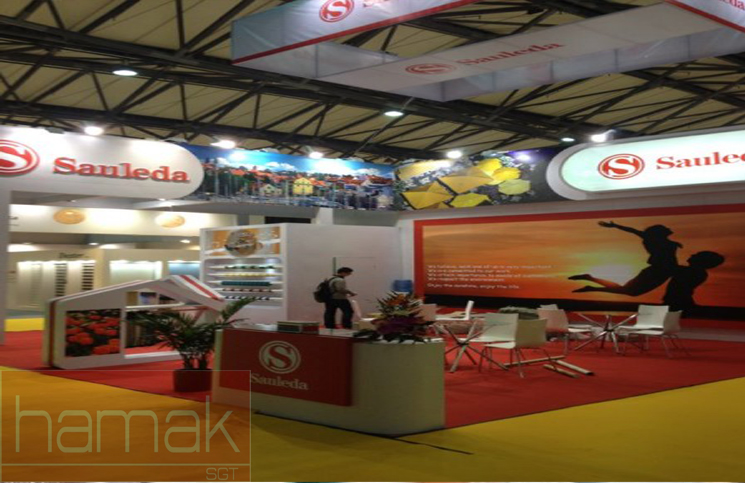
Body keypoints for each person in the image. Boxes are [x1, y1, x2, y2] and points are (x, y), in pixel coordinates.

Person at [569, 221, 682, 296]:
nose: (668, 228)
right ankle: (590, 283)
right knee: (630, 291)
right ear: (659, 233)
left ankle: (590, 283)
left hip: (664, 271)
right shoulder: (651, 239)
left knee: (630, 291)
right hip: (657, 271)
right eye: (665, 228)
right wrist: (616, 226)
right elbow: (633, 230)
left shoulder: (665, 241)